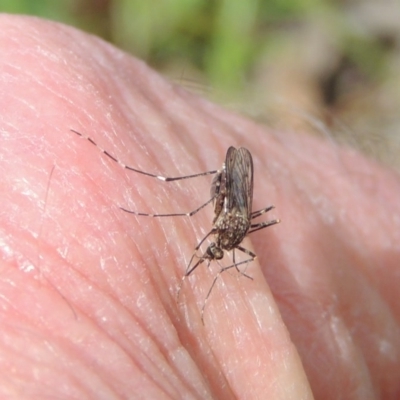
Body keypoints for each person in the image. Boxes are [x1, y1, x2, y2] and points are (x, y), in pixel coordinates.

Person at [1, 14, 399, 399]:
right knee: (202, 214)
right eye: (214, 250)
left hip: (235, 199)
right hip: (231, 191)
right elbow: (231, 225)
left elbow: (232, 236)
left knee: (218, 220)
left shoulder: (229, 238)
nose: (212, 250)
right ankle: (155, 186)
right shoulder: (229, 234)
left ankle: (162, 195)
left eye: (211, 251)